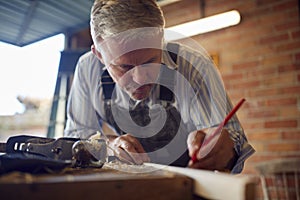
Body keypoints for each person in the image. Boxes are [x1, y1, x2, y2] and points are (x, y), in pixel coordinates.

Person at [64, 0, 255, 173]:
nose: (140, 79)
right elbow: (75, 137)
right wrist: (109, 144)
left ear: (161, 40)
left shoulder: (195, 67)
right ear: (99, 54)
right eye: (125, 67)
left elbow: (233, 141)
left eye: (150, 61)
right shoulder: (87, 68)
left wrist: (225, 149)